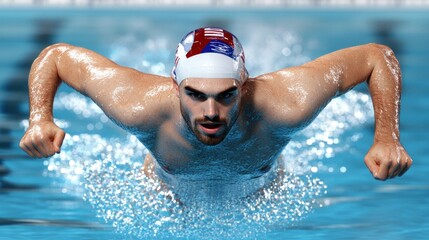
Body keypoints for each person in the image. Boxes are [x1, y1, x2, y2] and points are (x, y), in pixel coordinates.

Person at [19, 27, 412, 194]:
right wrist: (40, 118)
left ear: (246, 85)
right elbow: (56, 57)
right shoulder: (136, 104)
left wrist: (386, 138)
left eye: (226, 95)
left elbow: (376, 57)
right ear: (174, 86)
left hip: (262, 187)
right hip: (164, 190)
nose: (211, 111)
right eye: (194, 94)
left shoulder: (288, 102)